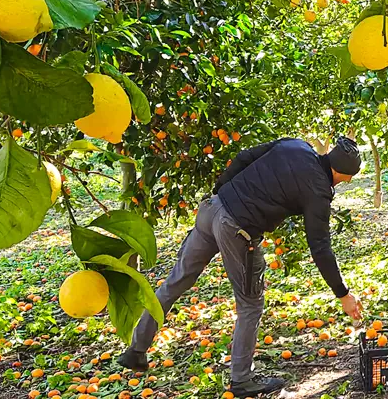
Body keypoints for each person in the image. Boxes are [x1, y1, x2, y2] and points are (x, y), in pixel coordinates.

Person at [118, 136, 364, 397]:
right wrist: (343, 293)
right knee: (250, 304)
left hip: (211, 209)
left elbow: (245, 156)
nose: (347, 182)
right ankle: (242, 380)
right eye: (348, 178)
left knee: (176, 281)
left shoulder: (296, 145)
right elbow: (320, 247)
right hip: (237, 229)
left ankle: (136, 350)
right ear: (343, 173)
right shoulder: (318, 189)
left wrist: (222, 190)